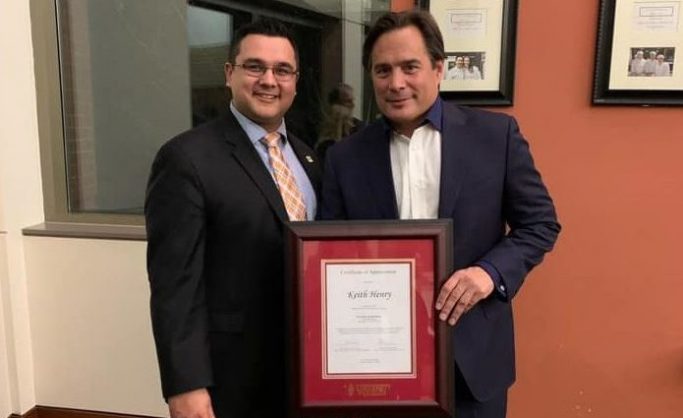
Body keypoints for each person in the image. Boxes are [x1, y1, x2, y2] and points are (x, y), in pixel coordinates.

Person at [320, 10, 560, 418]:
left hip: (473, 361)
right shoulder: (344, 157)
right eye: (382, 70)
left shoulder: (495, 137)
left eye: (410, 67)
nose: (396, 83)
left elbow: (540, 223)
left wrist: (489, 273)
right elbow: (329, 255)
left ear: (438, 68)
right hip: (376, 360)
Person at [145, 18, 320, 418]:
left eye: (282, 70)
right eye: (255, 67)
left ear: (295, 81)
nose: (269, 80)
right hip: (231, 377)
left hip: (304, 370)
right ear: (229, 73)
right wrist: (186, 385)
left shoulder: (309, 159)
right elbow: (174, 285)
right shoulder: (186, 159)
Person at [316, 83, 365, 163]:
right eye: (348, 101)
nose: (352, 105)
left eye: (352, 101)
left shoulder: (358, 128)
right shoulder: (323, 138)